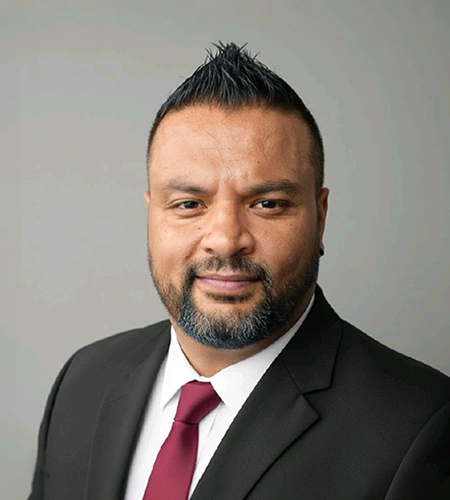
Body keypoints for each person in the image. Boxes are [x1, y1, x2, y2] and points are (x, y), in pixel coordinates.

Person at [29, 43, 450, 500]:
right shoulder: (83, 381)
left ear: (320, 217)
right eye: (188, 204)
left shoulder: (420, 427)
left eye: (267, 204)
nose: (227, 240)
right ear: (151, 215)